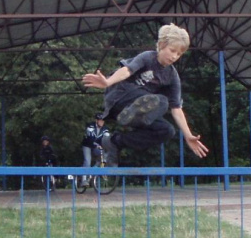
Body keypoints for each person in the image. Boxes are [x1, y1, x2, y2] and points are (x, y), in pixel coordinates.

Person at [81, 23, 209, 166]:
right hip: (120, 97)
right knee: (161, 101)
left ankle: (115, 141)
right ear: (161, 45)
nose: (174, 56)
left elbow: (177, 109)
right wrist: (107, 82)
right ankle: (131, 115)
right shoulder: (148, 57)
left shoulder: (172, 76)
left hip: (138, 109)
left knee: (167, 130)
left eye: (179, 54)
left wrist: (187, 135)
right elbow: (127, 71)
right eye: (172, 50)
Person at [80, 112, 110, 186]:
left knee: (104, 155)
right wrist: (97, 145)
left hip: (96, 147)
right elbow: (90, 139)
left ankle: (94, 170)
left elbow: (107, 139)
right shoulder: (90, 127)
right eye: (100, 120)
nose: (102, 122)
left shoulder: (105, 129)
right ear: (96, 121)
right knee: (87, 160)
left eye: (103, 121)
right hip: (87, 145)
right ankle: (84, 180)